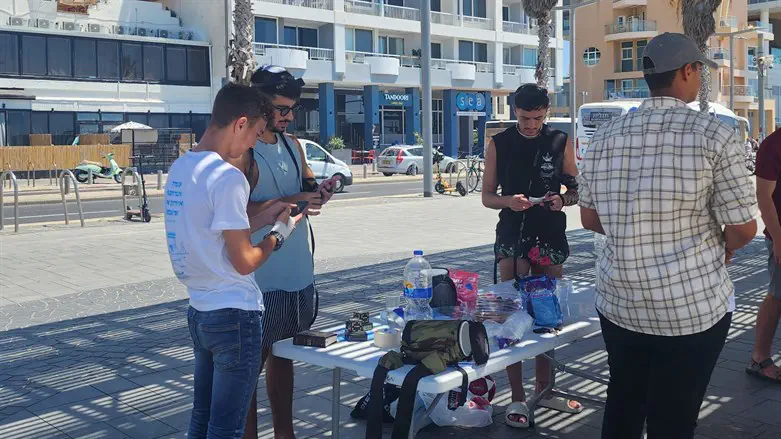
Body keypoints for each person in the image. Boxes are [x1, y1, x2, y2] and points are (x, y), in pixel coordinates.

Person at [578, 33, 758, 439]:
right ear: (688, 71)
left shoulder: (605, 138)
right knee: (674, 417)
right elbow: (745, 229)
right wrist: (720, 246)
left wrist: (633, 231)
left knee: (623, 400)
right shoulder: (714, 136)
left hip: (619, 301)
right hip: (689, 309)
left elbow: (590, 219)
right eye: (700, 71)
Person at [164, 83, 302, 439]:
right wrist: (279, 234)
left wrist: (269, 212)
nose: (254, 143)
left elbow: (217, 230)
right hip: (235, 316)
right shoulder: (228, 177)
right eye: (256, 133)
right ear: (241, 124)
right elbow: (244, 260)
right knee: (227, 427)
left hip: (200, 310)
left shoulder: (182, 168)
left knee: (202, 418)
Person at [239, 65, 339, 439]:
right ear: (259, 103)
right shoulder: (242, 152)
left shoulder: (293, 145)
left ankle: (285, 433)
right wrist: (293, 199)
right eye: (282, 108)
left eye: (292, 108)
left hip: (297, 272)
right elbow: (234, 216)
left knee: (284, 357)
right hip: (259, 277)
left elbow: (307, 190)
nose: (288, 116)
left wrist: (321, 192)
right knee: (250, 366)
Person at [481, 83, 581, 428]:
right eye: (525, 118)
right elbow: (487, 197)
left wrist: (562, 199)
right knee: (511, 317)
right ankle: (518, 397)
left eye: (538, 118)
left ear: (546, 113)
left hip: (549, 233)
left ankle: (545, 387)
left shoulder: (560, 140)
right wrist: (509, 201)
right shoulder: (500, 143)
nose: (531, 125)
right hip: (512, 234)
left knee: (547, 316)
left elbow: (575, 188)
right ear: (515, 112)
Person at [747, 128, 781, 383]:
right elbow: (763, 196)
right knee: (778, 294)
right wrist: (779, 240)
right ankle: (760, 357)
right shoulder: (773, 146)